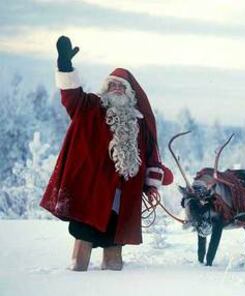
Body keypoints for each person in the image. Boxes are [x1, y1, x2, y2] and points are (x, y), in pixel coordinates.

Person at [40, 36, 173, 271]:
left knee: (115, 245)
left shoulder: (139, 124)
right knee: (84, 241)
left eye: (122, 87)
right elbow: (71, 96)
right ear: (105, 89)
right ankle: (75, 274)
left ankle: (114, 285)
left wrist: (155, 176)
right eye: (113, 85)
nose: (117, 89)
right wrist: (65, 66)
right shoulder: (90, 107)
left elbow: (150, 155)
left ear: (131, 94)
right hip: (92, 191)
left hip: (123, 196)